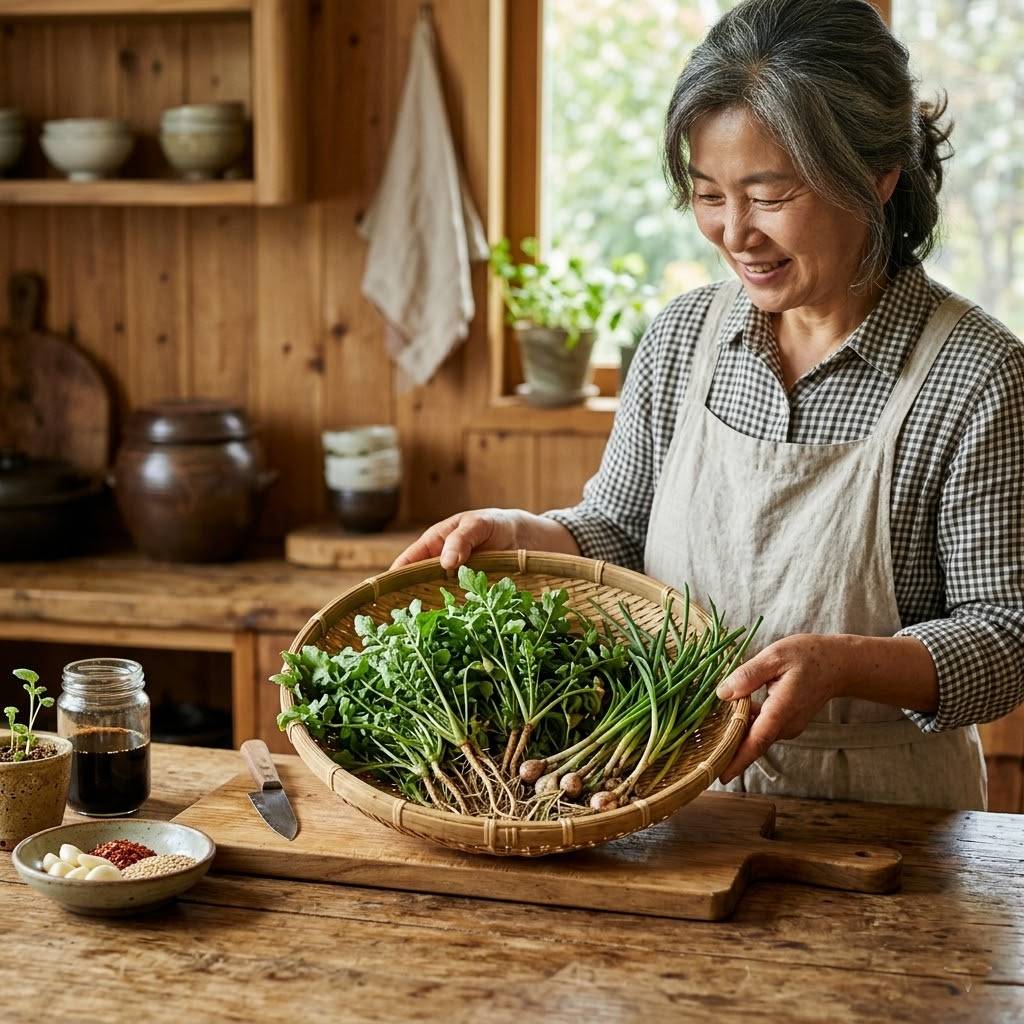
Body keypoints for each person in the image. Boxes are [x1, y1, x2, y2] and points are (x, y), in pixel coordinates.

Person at [392, 0, 1024, 810]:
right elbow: (619, 532)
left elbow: (1007, 635)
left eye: (769, 194)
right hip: (673, 794)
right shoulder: (686, 337)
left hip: (885, 823)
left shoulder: (977, 374)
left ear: (877, 176)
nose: (734, 233)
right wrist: (518, 534)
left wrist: (842, 665)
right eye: (709, 194)